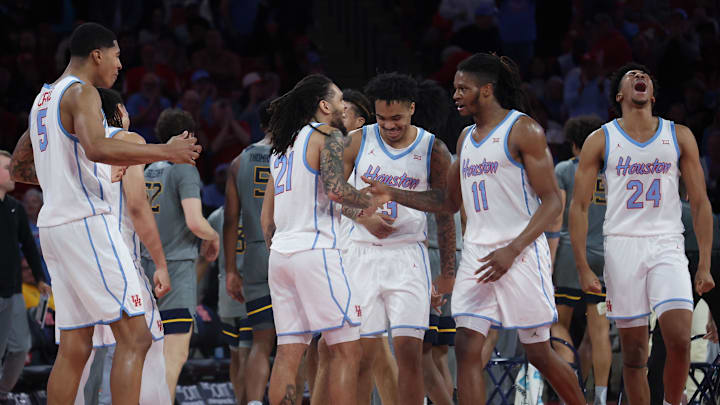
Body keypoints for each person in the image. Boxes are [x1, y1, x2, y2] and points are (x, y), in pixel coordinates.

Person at [363, 52, 585, 404]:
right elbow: (446, 202)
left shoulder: (523, 129)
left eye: (462, 88)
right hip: (479, 253)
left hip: (520, 251)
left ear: (486, 90)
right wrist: (392, 193)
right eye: (454, 88)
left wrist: (512, 250)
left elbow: (553, 202)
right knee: (466, 346)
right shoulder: (466, 138)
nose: (455, 95)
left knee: (539, 352)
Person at [9, 22, 199, 405]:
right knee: (136, 335)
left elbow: (18, 168)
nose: (120, 64)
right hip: (87, 224)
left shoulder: (42, 99)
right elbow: (96, 147)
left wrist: (61, 177)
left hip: (54, 227)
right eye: (116, 55)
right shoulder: (83, 93)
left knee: (76, 345)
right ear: (97, 54)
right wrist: (168, 151)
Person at [569, 63, 715, 405]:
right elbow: (578, 207)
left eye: (645, 75)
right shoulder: (600, 139)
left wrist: (704, 263)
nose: (640, 77)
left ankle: (671, 402)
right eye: (631, 75)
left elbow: (701, 201)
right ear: (620, 94)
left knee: (679, 337)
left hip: (667, 244)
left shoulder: (678, 135)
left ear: (652, 92)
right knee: (634, 354)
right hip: (622, 247)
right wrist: (582, 267)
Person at [338, 73, 455, 405]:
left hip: (408, 255)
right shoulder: (357, 140)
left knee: (410, 354)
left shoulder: (433, 147)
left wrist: (448, 272)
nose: (389, 125)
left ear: (412, 110)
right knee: (361, 355)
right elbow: (331, 194)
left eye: (397, 118)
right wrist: (365, 216)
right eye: (382, 117)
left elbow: (445, 207)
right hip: (360, 252)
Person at [260, 74, 378, 405]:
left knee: (288, 354)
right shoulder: (326, 134)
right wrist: (374, 200)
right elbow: (336, 189)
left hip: (281, 256)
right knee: (346, 350)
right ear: (324, 105)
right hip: (316, 252)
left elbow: (265, 220)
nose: (343, 105)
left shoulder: (281, 148)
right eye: (339, 99)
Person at [72, 87, 173, 405]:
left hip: (75, 258)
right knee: (148, 343)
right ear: (118, 110)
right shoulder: (127, 140)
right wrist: (160, 263)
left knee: (78, 354)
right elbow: (137, 206)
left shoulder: (72, 147)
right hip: (117, 258)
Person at [142, 108, 220, 404]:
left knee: (153, 357)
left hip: (148, 269)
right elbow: (195, 221)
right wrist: (213, 237)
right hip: (175, 269)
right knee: (173, 356)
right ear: (187, 136)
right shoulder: (184, 168)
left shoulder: (150, 168)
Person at [547, 115, 610, 405]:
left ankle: (568, 388)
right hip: (607, 255)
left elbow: (557, 219)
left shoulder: (565, 169)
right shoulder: (612, 172)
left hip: (573, 254)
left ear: (573, 144)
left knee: (559, 323)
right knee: (598, 331)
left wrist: (549, 262)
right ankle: (599, 396)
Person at [224, 98, 277, 405]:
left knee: (260, 341)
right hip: (288, 250)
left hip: (255, 254)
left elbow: (231, 221)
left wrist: (231, 269)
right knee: (294, 343)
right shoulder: (295, 155)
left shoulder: (238, 161)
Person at [0, 150, 50, 403]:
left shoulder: (15, 209)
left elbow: (29, 246)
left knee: (20, 347)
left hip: (14, 291)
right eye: (8, 168)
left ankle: (2, 392)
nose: (13, 173)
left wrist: (40, 277)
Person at [206, 205, 251, 404]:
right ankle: (245, 401)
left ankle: (240, 400)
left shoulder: (217, 215)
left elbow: (203, 259)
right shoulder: (258, 209)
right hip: (251, 290)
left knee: (236, 355)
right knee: (245, 355)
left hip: (226, 295)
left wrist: (196, 298)